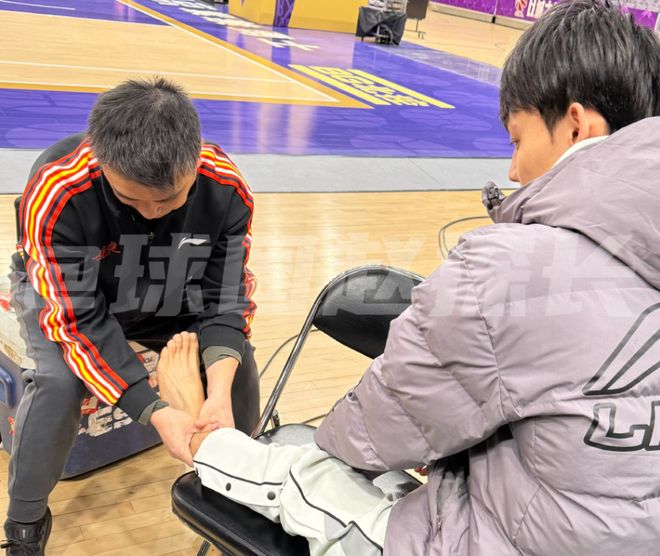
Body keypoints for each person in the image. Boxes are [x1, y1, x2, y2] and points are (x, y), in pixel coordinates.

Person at [156, 2, 660, 555]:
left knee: (308, 476)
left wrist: (213, 434)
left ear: (576, 126)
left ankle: (202, 442)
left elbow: (374, 431)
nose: (513, 170)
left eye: (517, 140)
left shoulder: (512, 267)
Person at [2, 78, 260, 555]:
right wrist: (154, 411)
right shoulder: (58, 190)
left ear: (194, 161)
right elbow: (77, 322)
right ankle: (25, 517)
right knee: (58, 383)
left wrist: (219, 393)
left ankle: (244, 491)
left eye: (169, 198)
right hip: (69, 293)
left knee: (234, 360)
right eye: (132, 199)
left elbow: (225, 298)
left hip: (166, 282)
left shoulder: (225, 186)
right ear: (103, 164)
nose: (153, 210)